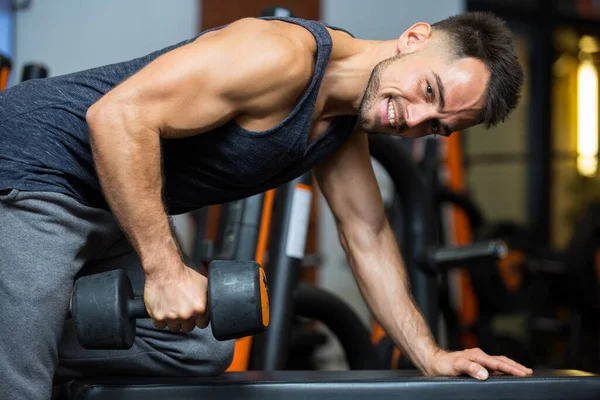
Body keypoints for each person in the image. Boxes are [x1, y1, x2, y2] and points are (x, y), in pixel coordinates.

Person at [0, 11, 529, 400]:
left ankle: (22, 325)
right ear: (414, 38)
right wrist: (163, 269)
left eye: (436, 126)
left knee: (194, 350)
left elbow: (366, 232)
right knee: (21, 386)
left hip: (99, 211)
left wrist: (432, 357)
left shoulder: (343, 124)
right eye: (428, 90)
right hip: (30, 174)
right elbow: (115, 118)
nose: (413, 121)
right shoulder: (280, 56)